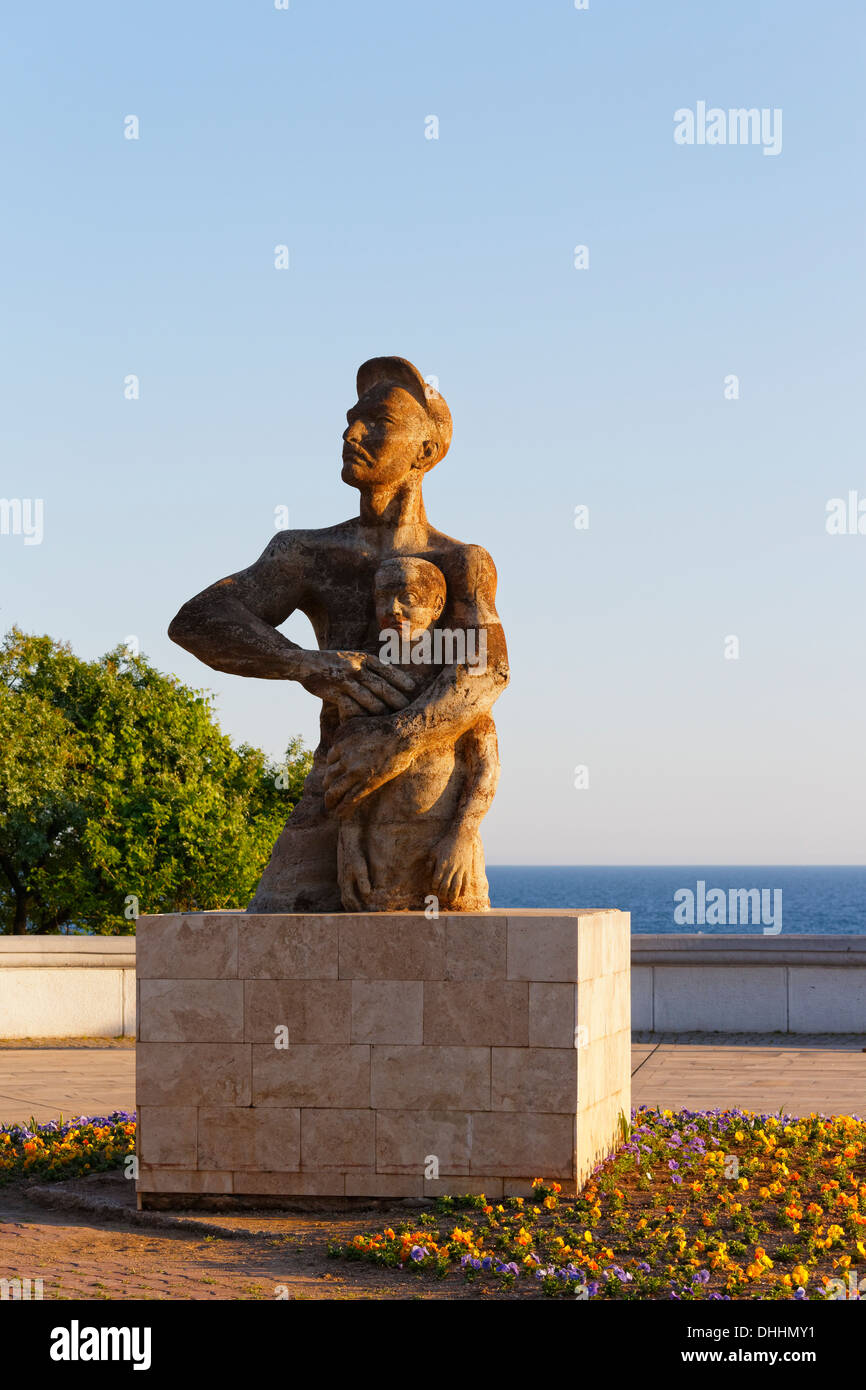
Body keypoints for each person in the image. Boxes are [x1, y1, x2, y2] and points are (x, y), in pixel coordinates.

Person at [168, 355, 509, 911]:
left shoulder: (459, 562)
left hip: (430, 791)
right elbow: (199, 621)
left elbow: (487, 671)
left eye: (379, 421)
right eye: (352, 419)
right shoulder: (305, 553)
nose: (352, 432)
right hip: (337, 784)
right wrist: (308, 663)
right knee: (275, 932)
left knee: (444, 952)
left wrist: (398, 739)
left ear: (426, 449)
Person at [338, 554, 499, 911]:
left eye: (406, 598)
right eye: (383, 597)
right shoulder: (367, 677)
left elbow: (486, 766)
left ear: (437, 604)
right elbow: (348, 779)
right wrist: (349, 849)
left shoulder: (456, 678)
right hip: (382, 859)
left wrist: (461, 835)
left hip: (449, 856)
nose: (392, 609)